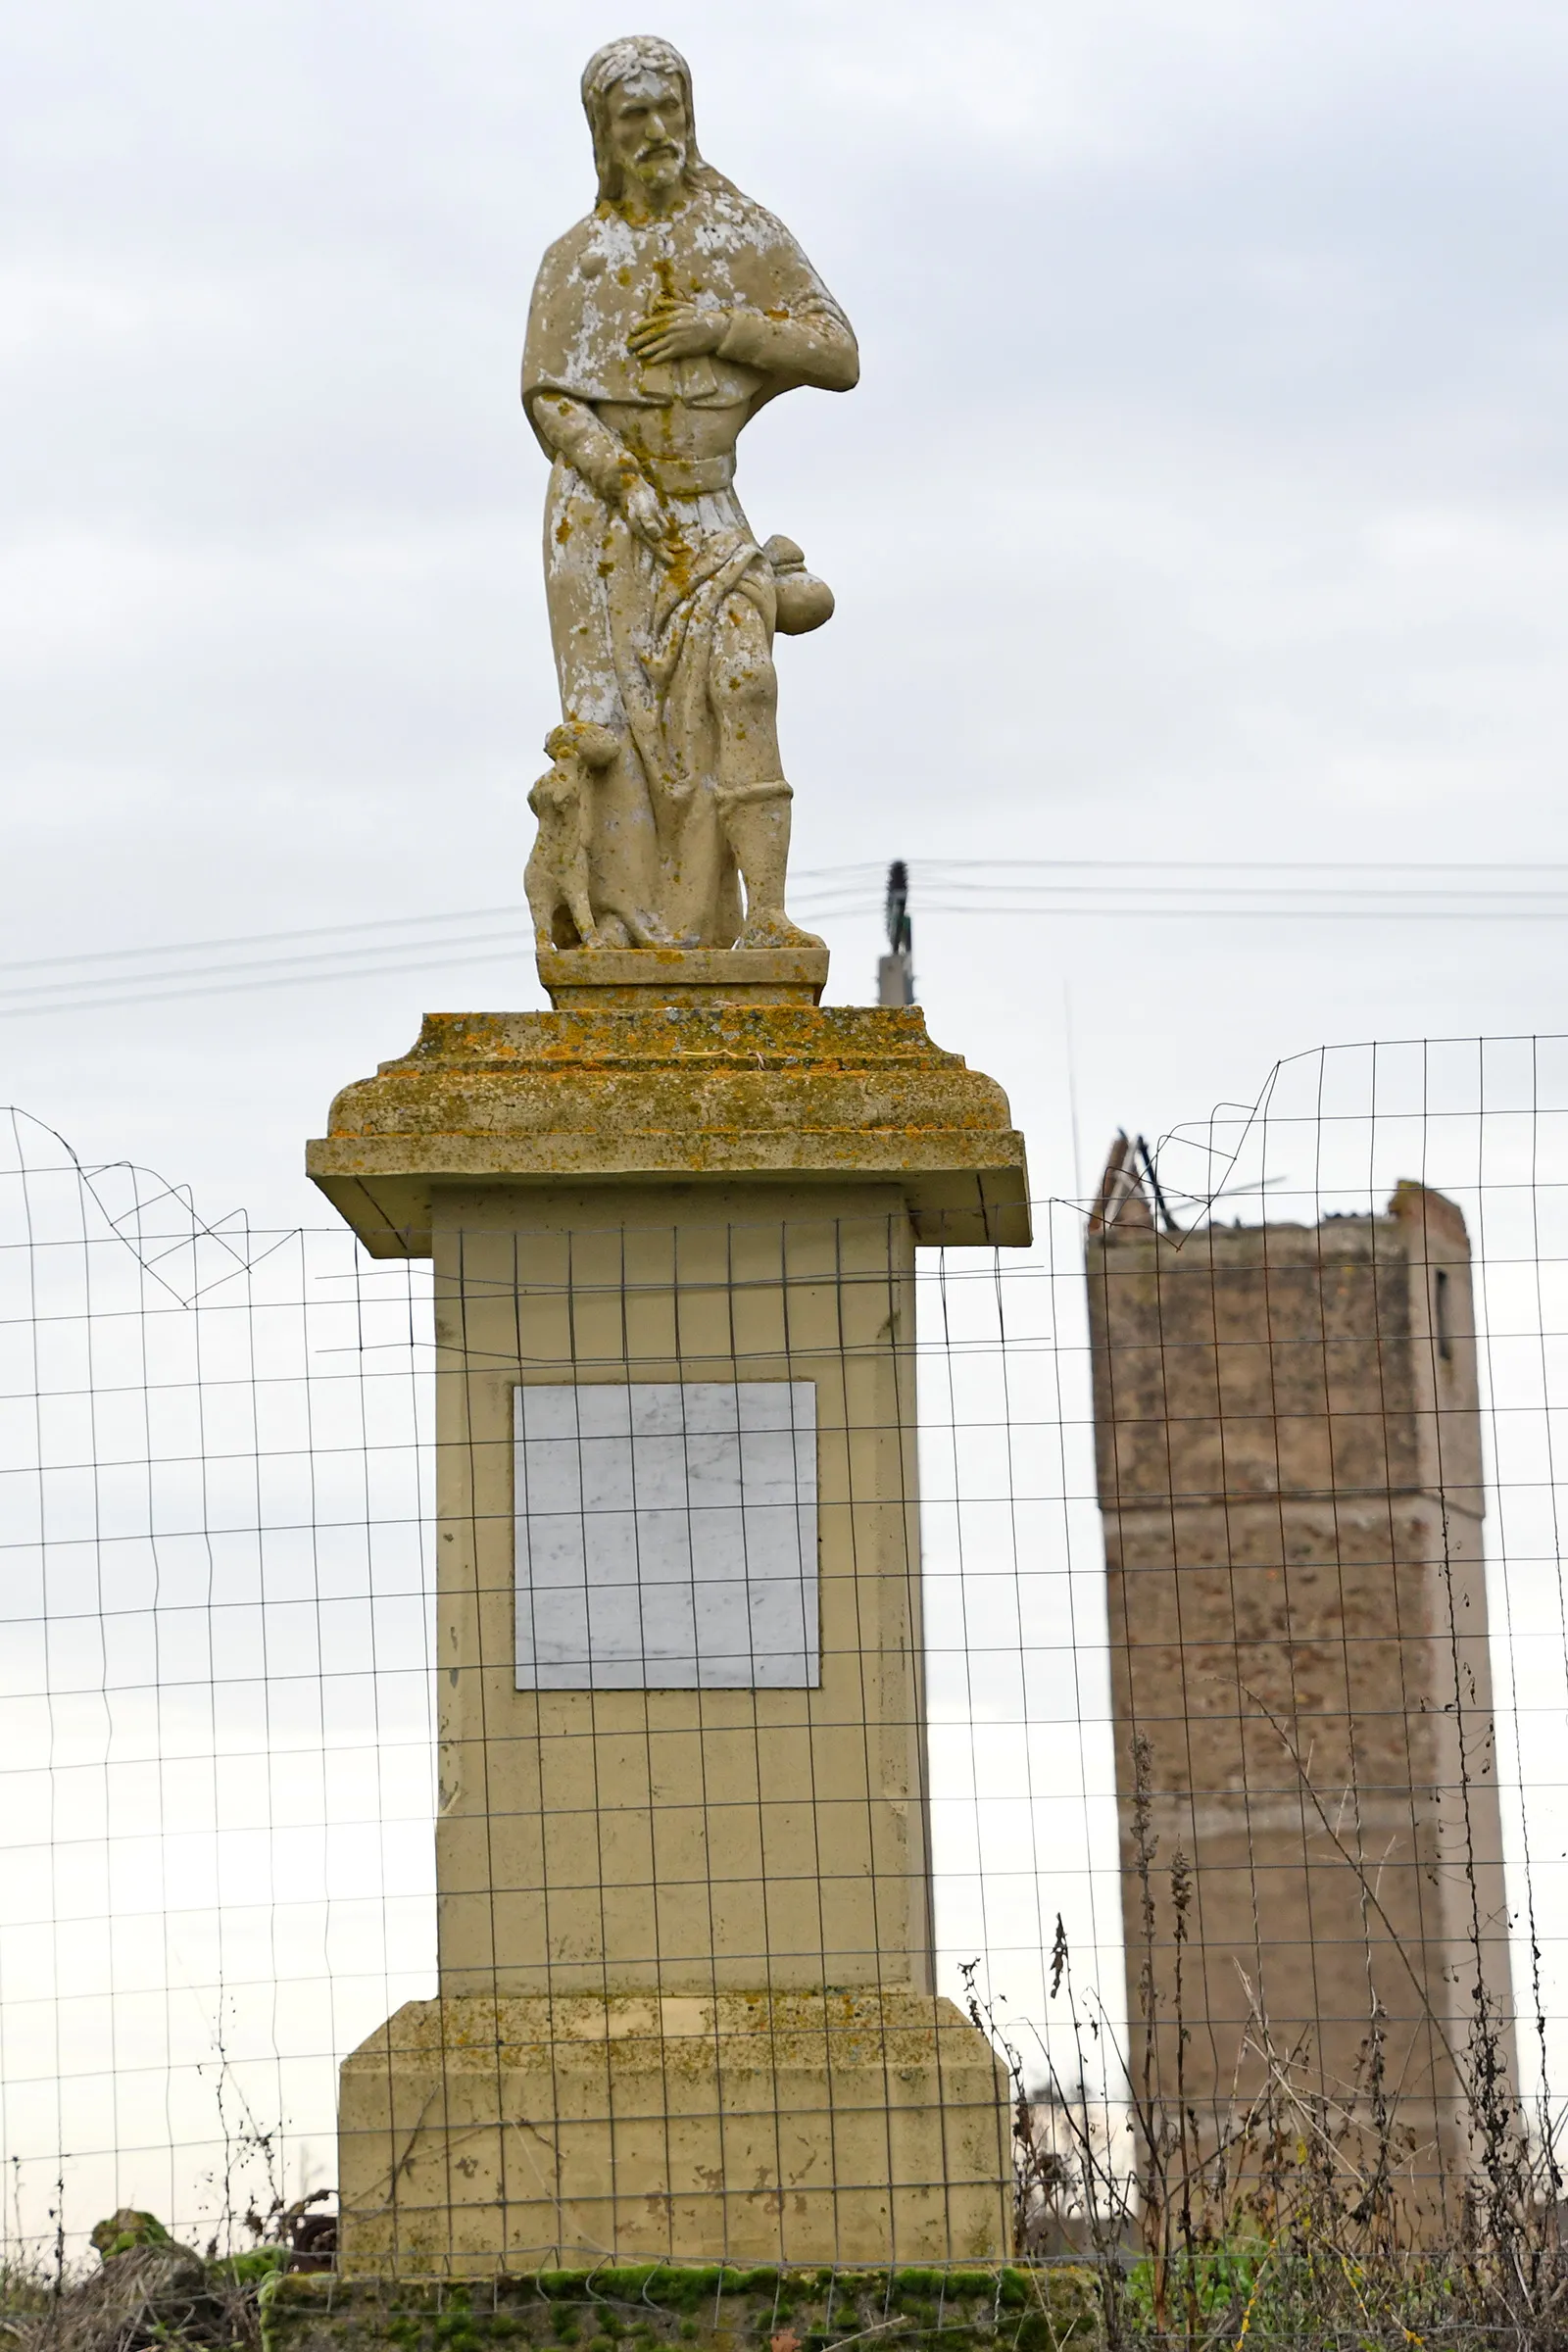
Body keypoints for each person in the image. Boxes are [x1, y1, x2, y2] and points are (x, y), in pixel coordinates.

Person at [522, 34, 858, 949]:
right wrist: (625, 483)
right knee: (615, 731)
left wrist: (723, 328)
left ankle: (767, 917)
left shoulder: (738, 233)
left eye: (670, 109)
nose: (658, 130)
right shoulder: (574, 259)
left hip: (707, 506)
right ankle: (625, 921)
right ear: (604, 132)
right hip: (599, 521)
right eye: (635, 115)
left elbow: (836, 352)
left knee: (741, 687)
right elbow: (551, 398)